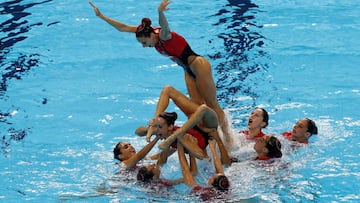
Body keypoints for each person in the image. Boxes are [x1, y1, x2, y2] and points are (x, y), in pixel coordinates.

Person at [89, 0, 232, 145]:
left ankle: (229, 140)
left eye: (145, 42)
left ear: (152, 36)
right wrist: (102, 16)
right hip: (187, 69)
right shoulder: (145, 32)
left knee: (212, 103)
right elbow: (124, 28)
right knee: (196, 107)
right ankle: (211, 138)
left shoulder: (164, 36)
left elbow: (165, 26)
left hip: (198, 66)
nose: (144, 46)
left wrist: (160, 12)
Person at [139, 85, 231, 166]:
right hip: (203, 125)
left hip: (204, 123)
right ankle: (161, 124)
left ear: (170, 127)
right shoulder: (168, 133)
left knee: (168, 90)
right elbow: (138, 132)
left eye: (159, 127)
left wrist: (172, 136)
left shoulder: (179, 137)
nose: (157, 130)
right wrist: (145, 159)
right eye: (157, 127)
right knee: (201, 108)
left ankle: (170, 129)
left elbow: (201, 156)